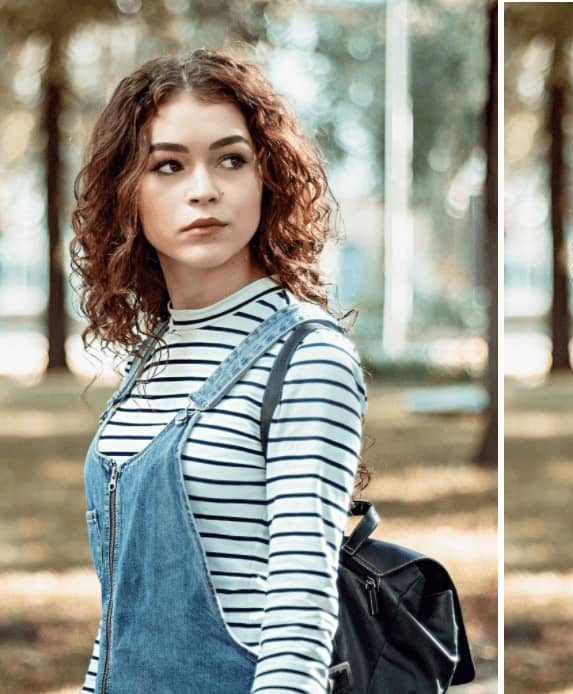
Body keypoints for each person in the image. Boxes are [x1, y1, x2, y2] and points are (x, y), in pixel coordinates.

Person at [70, 48, 366, 694]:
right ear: (130, 192)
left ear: (268, 179)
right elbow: (118, 616)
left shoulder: (307, 358)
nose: (203, 188)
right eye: (168, 166)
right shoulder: (150, 365)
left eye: (231, 159)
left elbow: (298, 617)